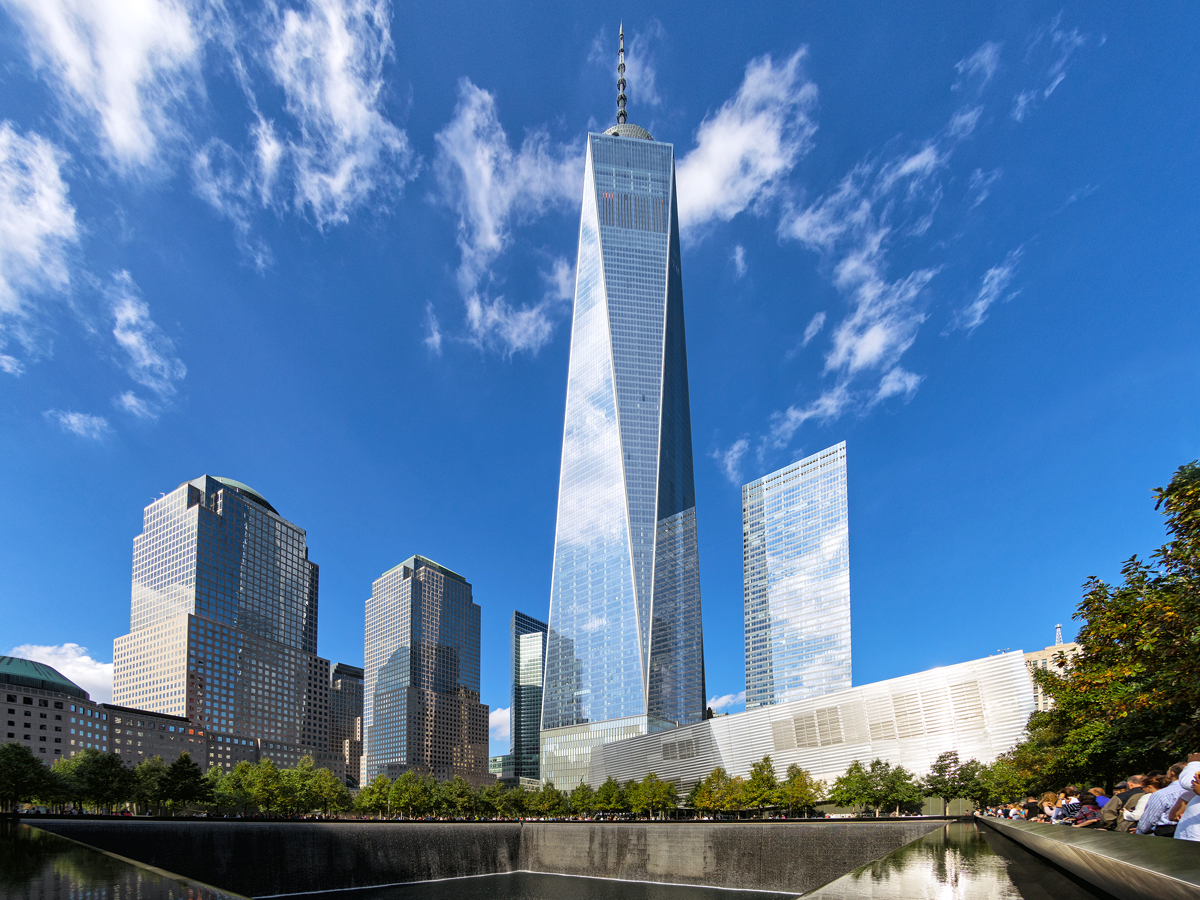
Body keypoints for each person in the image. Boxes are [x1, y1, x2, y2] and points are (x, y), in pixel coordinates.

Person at [1137, 763, 1185, 837]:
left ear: (1172, 773)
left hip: (1167, 833)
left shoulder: (1162, 794)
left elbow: (1147, 822)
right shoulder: (1194, 792)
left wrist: (1140, 831)